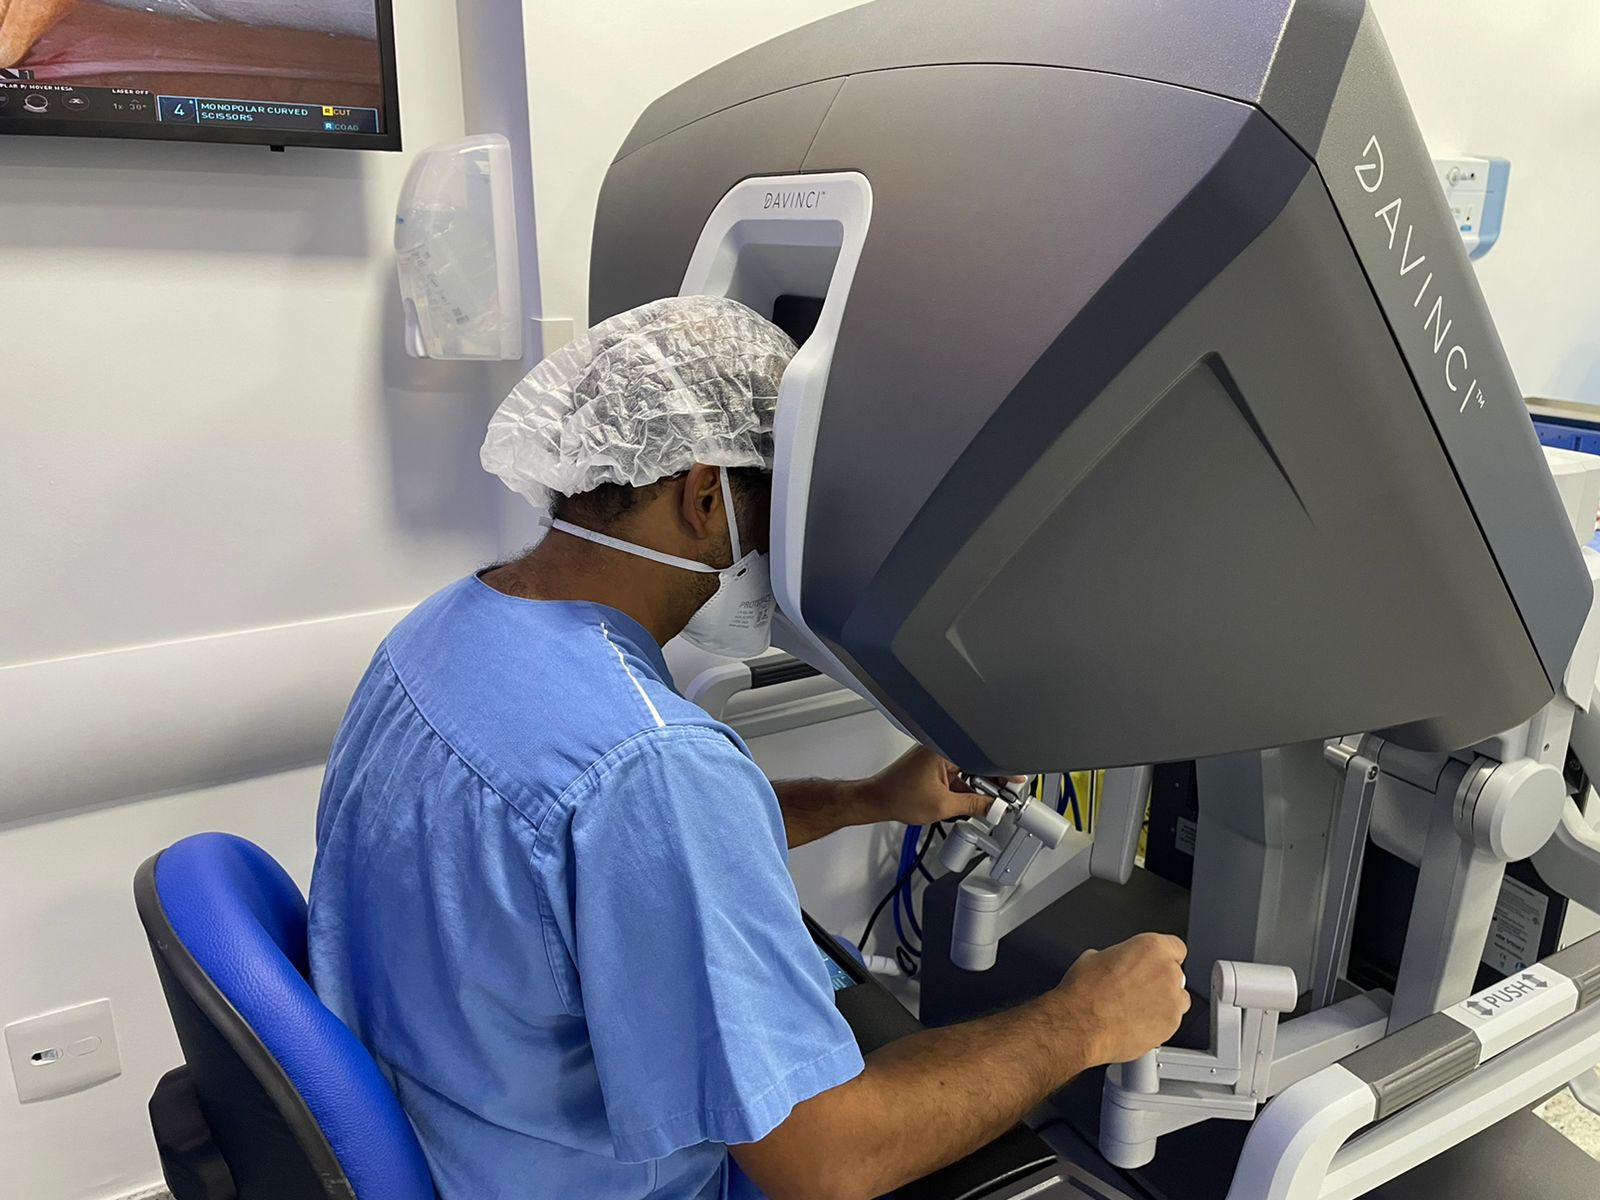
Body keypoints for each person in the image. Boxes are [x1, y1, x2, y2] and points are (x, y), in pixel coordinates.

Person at [308, 295, 1190, 1200]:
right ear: (703, 497)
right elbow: (829, 1162)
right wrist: (1087, 1020)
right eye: (782, 507)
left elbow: (600, 856)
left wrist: (866, 800)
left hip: (454, 1129)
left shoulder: (445, 631)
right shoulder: (651, 764)